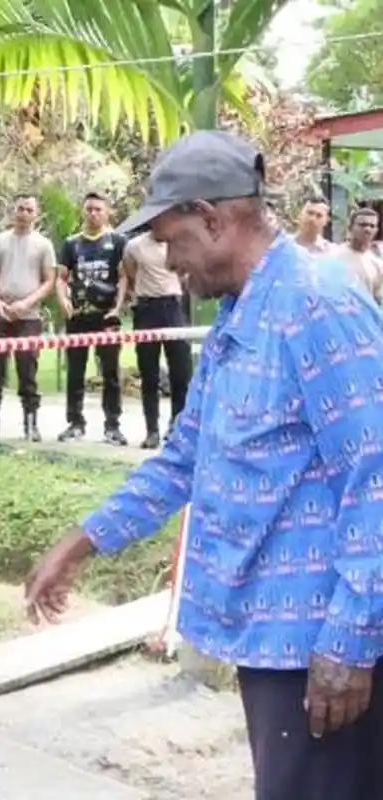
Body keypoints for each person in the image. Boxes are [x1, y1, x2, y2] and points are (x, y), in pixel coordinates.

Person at [26, 130, 383, 800]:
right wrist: (82, 540)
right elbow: (187, 454)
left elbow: (377, 475)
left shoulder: (317, 305)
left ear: (213, 220)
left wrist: (350, 641)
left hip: (320, 645)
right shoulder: (239, 314)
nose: (166, 259)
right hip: (272, 641)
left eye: (169, 238)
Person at [55, 193, 128, 446]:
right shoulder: (72, 243)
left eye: (98, 209)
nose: (93, 213)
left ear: (107, 212)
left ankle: (112, 426)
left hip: (106, 316)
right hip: (78, 316)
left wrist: (118, 307)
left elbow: (123, 278)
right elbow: (62, 277)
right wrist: (63, 300)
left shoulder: (117, 241)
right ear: (83, 212)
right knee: (75, 371)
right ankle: (75, 423)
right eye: (89, 209)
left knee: (110, 372)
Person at [0, 194, 56, 442]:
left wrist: (26, 303)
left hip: (29, 316)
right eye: (20, 208)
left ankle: (31, 423)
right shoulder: (0, 241)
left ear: (36, 214)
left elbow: (49, 281)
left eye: (29, 209)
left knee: (27, 368)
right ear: (13, 212)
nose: (24, 213)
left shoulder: (43, 245)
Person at [122, 231, 193, 449]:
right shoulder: (134, 246)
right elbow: (130, 272)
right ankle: (151, 430)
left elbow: (185, 274)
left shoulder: (179, 241)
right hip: (147, 308)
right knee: (149, 373)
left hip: (173, 306)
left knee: (181, 372)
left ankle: (177, 426)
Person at [333, 208, 383, 304]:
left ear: (376, 231)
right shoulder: (334, 255)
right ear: (350, 227)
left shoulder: (377, 264)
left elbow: (378, 300)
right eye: (362, 225)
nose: (367, 229)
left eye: (372, 226)